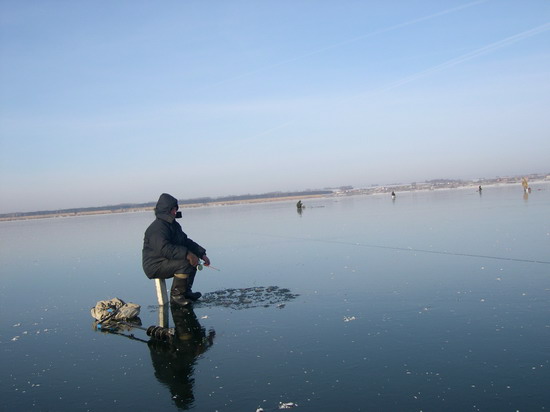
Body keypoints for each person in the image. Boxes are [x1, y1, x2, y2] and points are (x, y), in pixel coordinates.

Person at [142, 193, 211, 307]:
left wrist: (201, 254)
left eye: (176, 209)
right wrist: (187, 254)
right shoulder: (157, 228)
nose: (175, 212)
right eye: (173, 209)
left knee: (193, 259)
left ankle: (186, 292)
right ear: (166, 210)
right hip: (154, 265)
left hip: (166, 261)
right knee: (185, 262)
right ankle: (176, 297)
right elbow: (164, 249)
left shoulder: (173, 225)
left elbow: (185, 241)